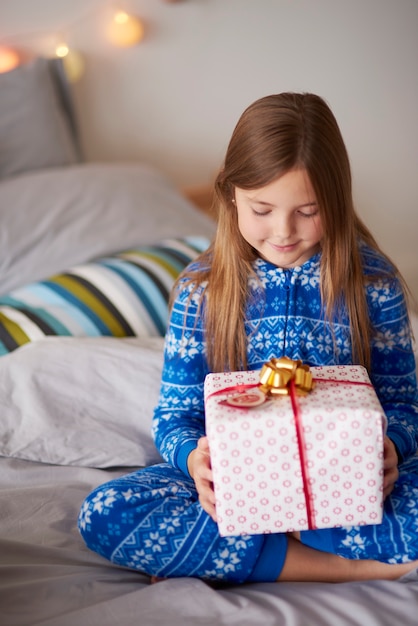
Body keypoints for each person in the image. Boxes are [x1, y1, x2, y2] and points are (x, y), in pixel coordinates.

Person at [78, 92, 418, 584]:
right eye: (262, 209)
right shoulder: (202, 290)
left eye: (308, 210)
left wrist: (392, 448)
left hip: (344, 487)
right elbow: (175, 416)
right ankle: (341, 566)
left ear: (337, 200)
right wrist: (196, 461)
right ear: (230, 193)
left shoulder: (373, 284)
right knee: (105, 512)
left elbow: (404, 404)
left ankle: (239, 555)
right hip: (237, 488)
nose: (284, 231)